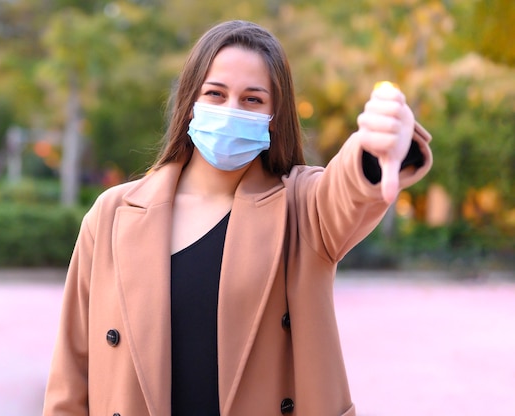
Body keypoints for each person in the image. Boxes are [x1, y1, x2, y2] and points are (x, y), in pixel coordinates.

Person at [42, 20, 432, 416]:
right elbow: (71, 377)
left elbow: (345, 190)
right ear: (190, 102)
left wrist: (375, 148)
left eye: (252, 99)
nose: (231, 109)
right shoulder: (111, 216)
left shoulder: (302, 209)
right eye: (216, 93)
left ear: (275, 116)